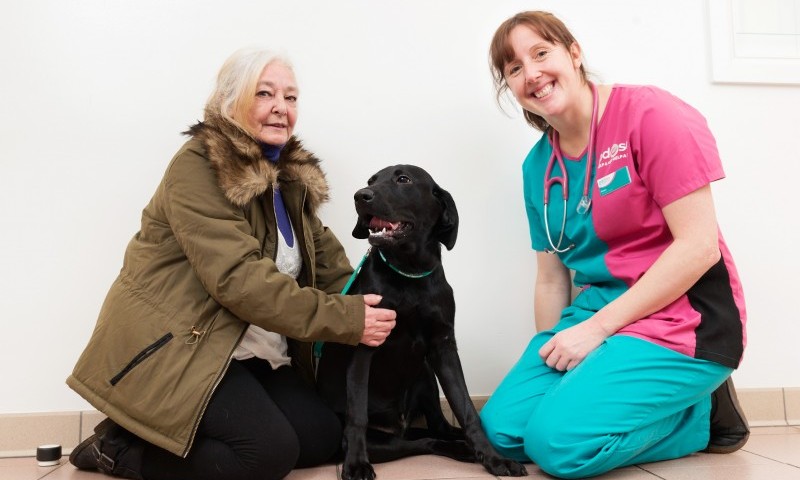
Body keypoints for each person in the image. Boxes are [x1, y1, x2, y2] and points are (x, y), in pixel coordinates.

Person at [66, 48, 397, 480]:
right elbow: (240, 281)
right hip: (182, 349)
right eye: (265, 93)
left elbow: (335, 272)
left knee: (321, 436)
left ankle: (166, 433)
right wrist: (349, 320)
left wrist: (392, 303)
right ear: (229, 102)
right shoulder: (198, 166)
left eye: (291, 97)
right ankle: (117, 448)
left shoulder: (288, 182)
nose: (282, 107)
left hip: (249, 352)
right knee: (266, 455)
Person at [478, 11, 749, 479]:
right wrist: (554, 351)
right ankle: (605, 400)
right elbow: (550, 278)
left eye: (541, 53)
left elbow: (700, 246)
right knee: (501, 434)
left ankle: (702, 418)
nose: (532, 73)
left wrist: (596, 330)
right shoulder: (537, 169)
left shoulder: (652, 115)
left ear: (574, 53)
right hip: (600, 317)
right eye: (515, 68)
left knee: (557, 446)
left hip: (684, 318)